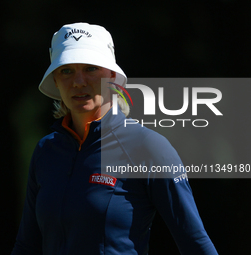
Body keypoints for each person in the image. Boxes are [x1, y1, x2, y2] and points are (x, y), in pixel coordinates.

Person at [11, 22, 218, 255]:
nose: (79, 81)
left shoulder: (147, 146)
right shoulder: (46, 151)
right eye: (66, 70)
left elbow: (195, 242)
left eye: (90, 68)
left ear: (111, 75)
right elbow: (26, 245)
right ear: (56, 81)